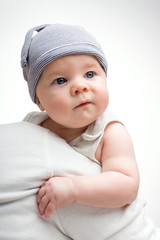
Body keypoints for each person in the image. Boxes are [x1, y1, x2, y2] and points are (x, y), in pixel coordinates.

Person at [21, 24, 160, 239]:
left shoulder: (110, 132)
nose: (80, 86)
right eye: (61, 80)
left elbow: (127, 186)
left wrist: (73, 188)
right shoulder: (33, 128)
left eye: (89, 73)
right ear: (39, 100)